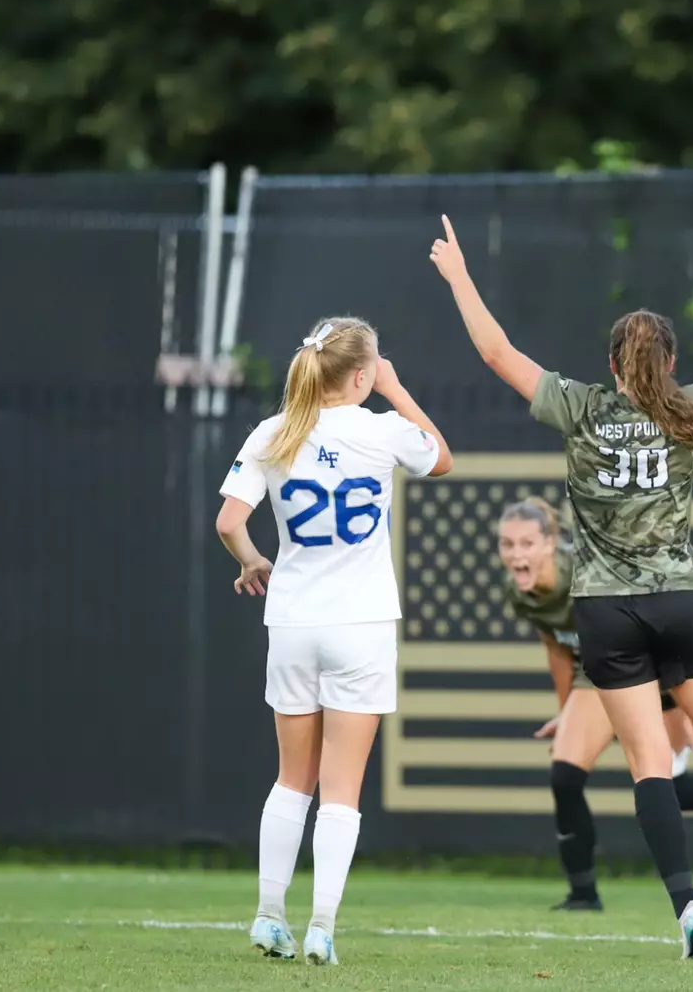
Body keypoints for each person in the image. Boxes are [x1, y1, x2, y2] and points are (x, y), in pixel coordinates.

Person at [433, 212, 693, 959]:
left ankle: (688, 908)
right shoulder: (691, 409)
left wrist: (460, 276)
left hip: (605, 611)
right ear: (668, 361)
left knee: (648, 767)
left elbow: (497, 351)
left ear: (612, 362)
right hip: (680, 599)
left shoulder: (581, 408)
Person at [215, 317, 452, 966]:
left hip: (292, 622)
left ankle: (268, 917)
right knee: (341, 789)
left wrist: (253, 562)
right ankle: (321, 926)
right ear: (362, 374)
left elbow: (229, 521)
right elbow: (442, 457)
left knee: (293, 780)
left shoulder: (275, 430)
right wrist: (398, 392)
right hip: (362, 624)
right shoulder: (381, 430)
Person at [498, 496, 693, 911]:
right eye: (508, 545)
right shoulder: (519, 590)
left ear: (551, 543)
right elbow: (558, 649)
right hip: (596, 675)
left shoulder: (581, 574)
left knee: (662, 779)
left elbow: (643, 628)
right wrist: (567, 712)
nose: (516, 555)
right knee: (567, 775)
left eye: (526, 543)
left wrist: (676, 704)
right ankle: (583, 894)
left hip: (640, 666)